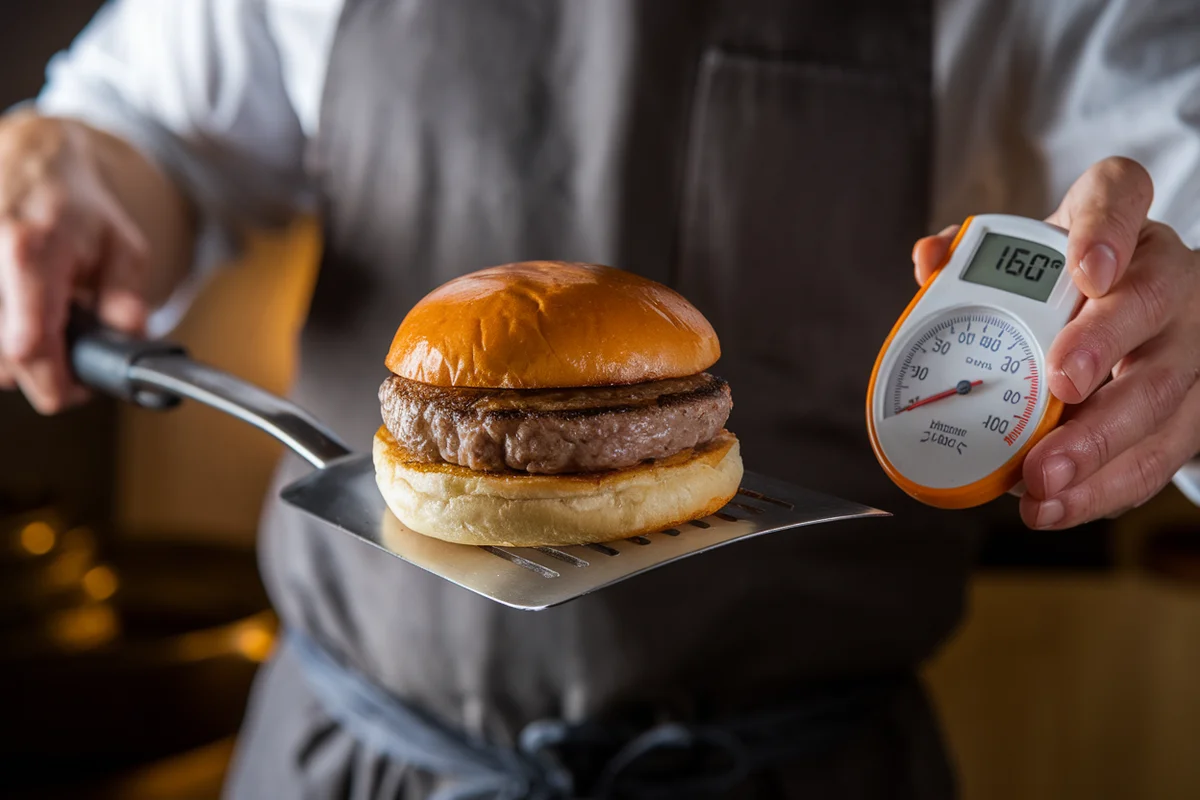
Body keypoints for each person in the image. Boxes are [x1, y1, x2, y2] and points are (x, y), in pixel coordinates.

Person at [3, 0, 1200, 796]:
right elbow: (151, 124)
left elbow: (1173, 183)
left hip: (805, 768)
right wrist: (73, 167)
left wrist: (1171, 318)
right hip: (349, 756)